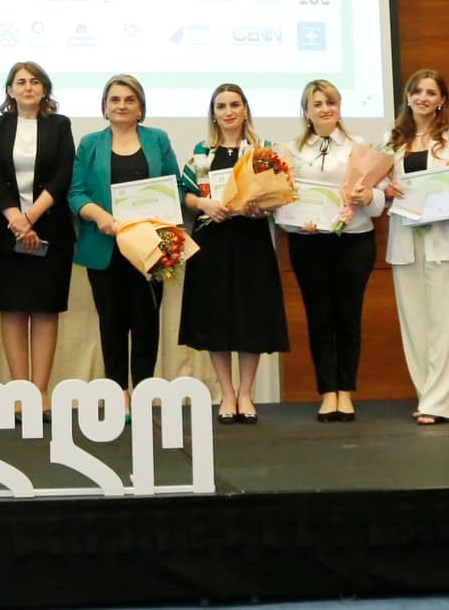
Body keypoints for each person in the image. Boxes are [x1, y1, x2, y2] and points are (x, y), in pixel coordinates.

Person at [178, 84, 289, 425]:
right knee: (216, 319)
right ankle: (226, 393)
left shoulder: (262, 151)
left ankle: (246, 393)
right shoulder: (202, 153)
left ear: (245, 110)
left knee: (250, 318)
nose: (228, 112)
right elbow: (183, 195)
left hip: (251, 241)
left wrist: (261, 207)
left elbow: (278, 196)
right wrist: (203, 203)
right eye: (221, 106)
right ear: (213, 114)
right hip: (212, 243)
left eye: (234, 105)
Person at [277, 79, 385, 422]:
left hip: (354, 241)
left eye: (331, 102)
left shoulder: (359, 146)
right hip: (308, 242)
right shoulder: (290, 150)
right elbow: (281, 199)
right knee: (319, 317)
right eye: (317, 104)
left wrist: (368, 196)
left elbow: (378, 201)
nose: (325, 109)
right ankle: (327, 392)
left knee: (348, 317)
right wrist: (295, 223)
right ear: (306, 111)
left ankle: (346, 392)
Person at [71, 74, 180, 394]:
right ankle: (119, 395)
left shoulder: (158, 139)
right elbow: (76, 193)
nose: (122, 105)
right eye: (115, 100)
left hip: (150, 247)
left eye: (130, 100)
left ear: (140, 107)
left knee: (147, 325)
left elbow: (174, 186)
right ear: (105, 106)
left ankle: (144, 393)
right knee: (112, 325)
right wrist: (100, 216)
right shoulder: (90, 144)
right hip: (104, 246)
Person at [381, 69, 449, 426]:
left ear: (442, 100)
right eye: (417, 91)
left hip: (448, 238)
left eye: (431, 92)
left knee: (446, 325)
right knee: (415, 325)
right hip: (406, 240)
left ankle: (438, 403)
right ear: (407, 97)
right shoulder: (391, 139)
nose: (423, 97)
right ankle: (426, 396)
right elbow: (379, 188)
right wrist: (386, 190)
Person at [0, 62, 76, 415]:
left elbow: (63, 174)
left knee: (45, 309)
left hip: (51, 229)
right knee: (12, 309)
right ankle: (21, 392)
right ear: (10, 90)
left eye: (35, 81)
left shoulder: (59, 125)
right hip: (6, 231)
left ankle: (41, 391)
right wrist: (16, 220)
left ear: (44, 89)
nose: (28, 87)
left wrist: (31, 217)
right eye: (20, 82)